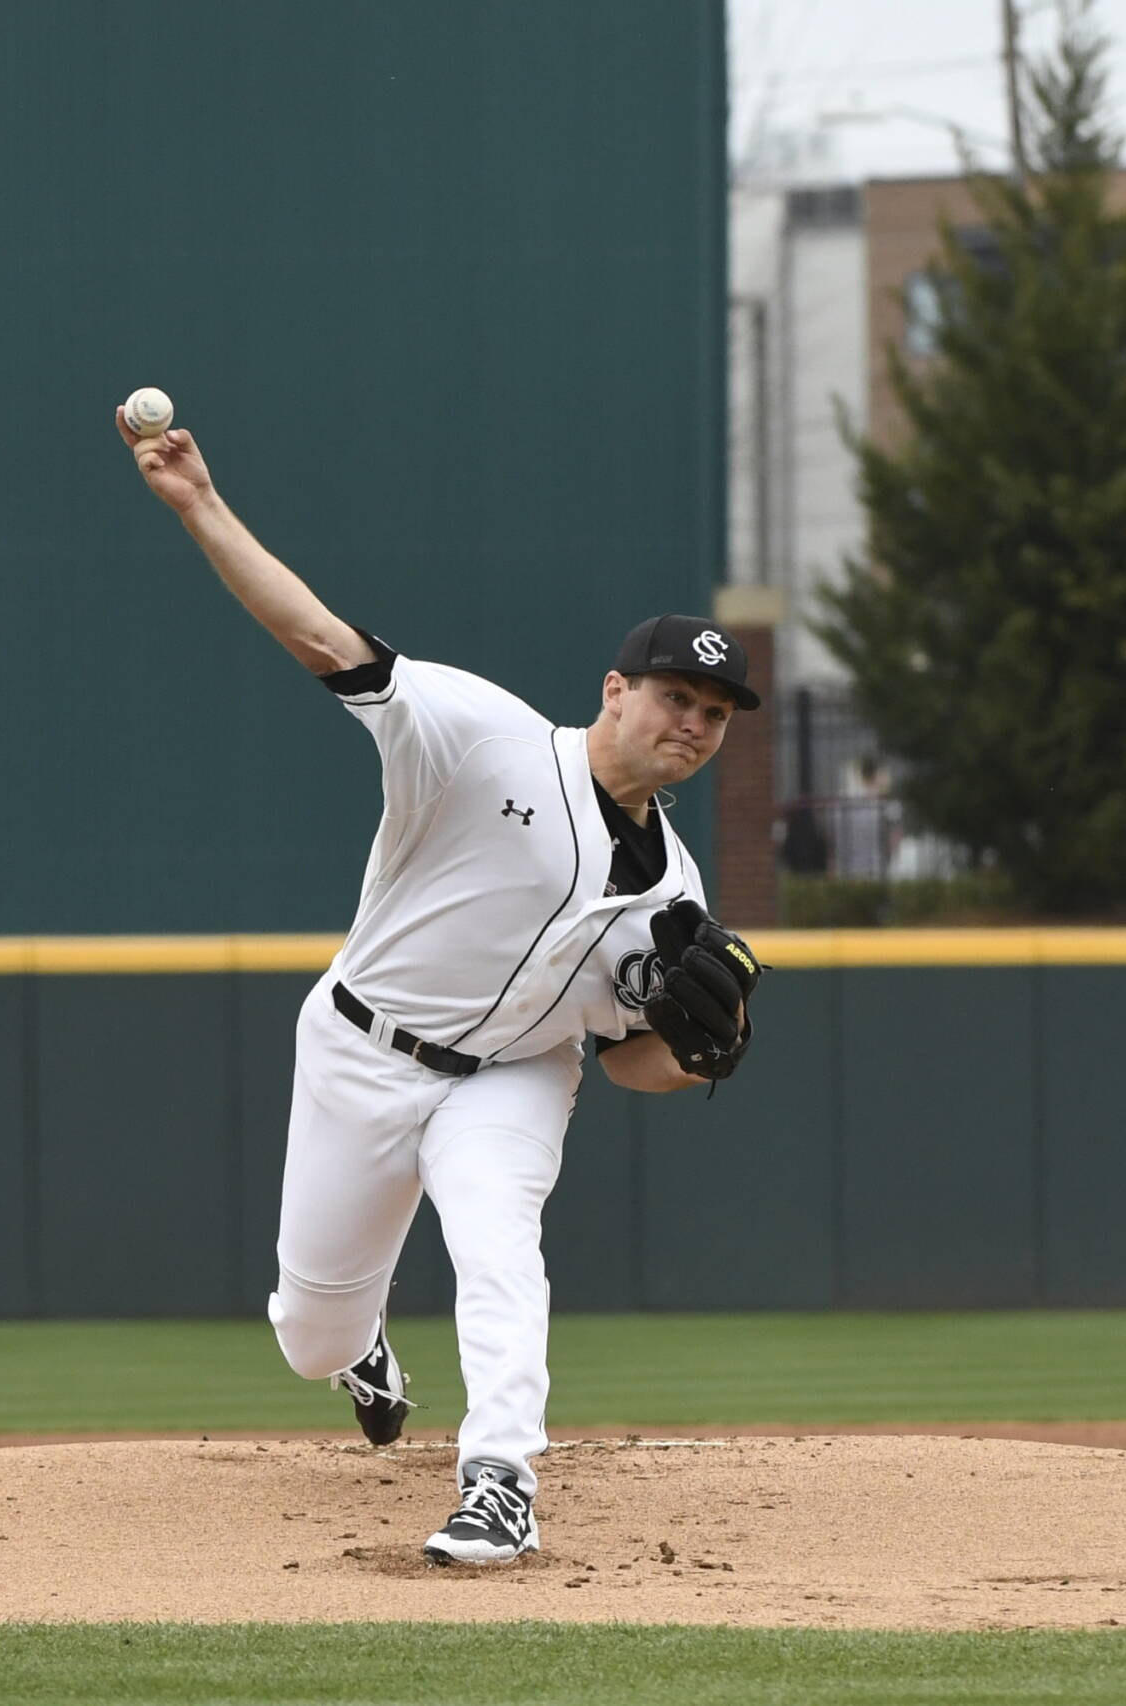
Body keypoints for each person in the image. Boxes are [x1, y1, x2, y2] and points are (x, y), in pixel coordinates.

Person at [118, 403, 762, 1566]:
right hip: (363, 1045)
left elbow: (629, 1059)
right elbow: (322, 637)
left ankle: (500, 1477)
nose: (696, 725)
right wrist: (200, 504)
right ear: (616, 690)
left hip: (511, 1078)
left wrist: (707, 1052)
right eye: (678, 697)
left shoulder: (677, 891)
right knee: (307, 1331)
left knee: (498, 1238)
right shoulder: (481, 733)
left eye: (714, 714)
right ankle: (360, 1344)